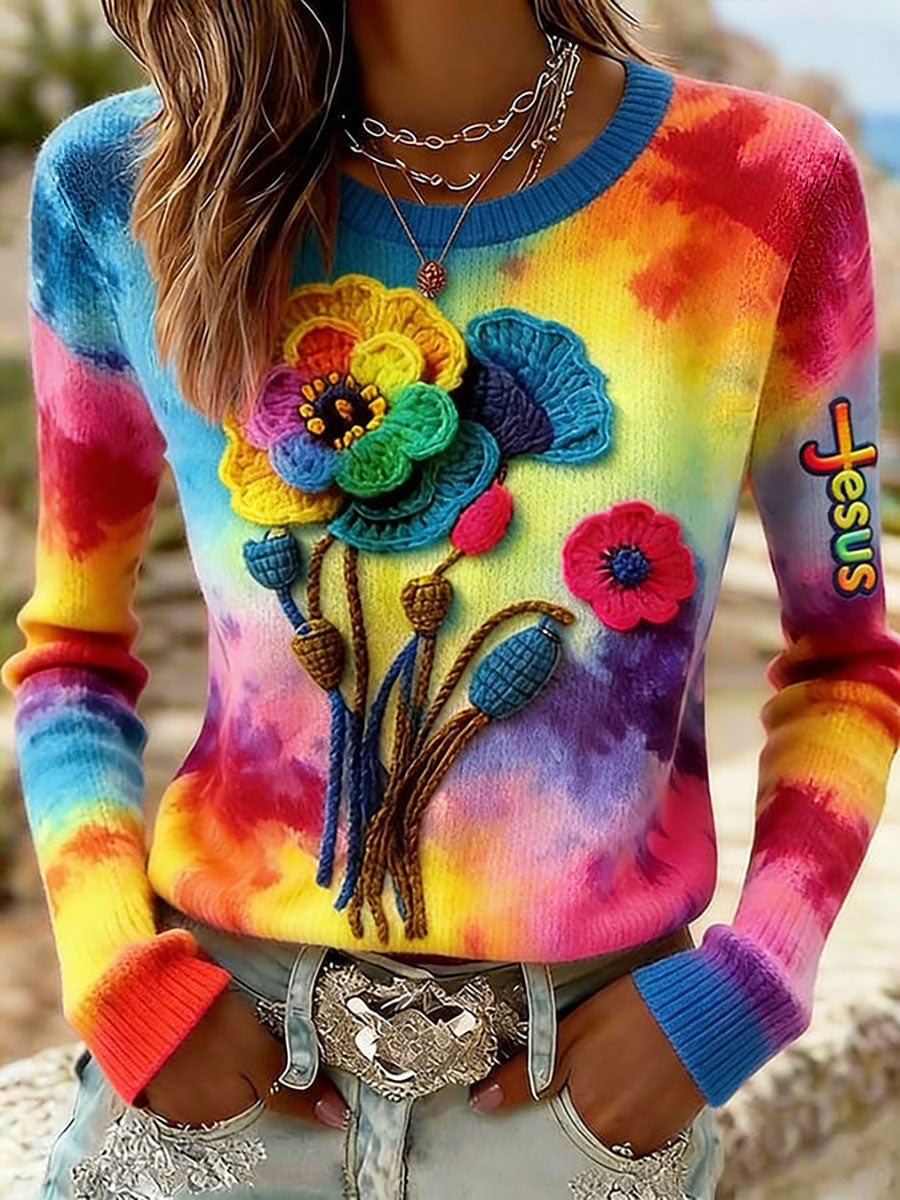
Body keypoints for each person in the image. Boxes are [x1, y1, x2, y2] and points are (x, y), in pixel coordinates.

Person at [4, 1, 899, 1197]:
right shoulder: (121, 187)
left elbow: (848, 660)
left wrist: (752, 987)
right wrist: (117, 972)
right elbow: (72, 654)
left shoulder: (765, 185)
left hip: (576, 1102)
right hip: (215, 1077)